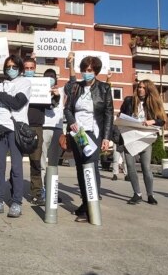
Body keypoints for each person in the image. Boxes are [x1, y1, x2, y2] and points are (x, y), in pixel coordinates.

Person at [64, 55, 113, 222]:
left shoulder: (104, 88)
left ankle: (90, 207)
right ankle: (86, 203)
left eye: (90, 70)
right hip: (78, 133)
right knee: (80, 168)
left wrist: (106, 137)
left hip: (94, 132)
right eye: (84, 70)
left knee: (90, 168)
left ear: (96, 71)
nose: (86, 73)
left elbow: (108, 114)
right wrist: (71, 122)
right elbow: (67, 108)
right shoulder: (75, 88)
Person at [0, 55, 30, 217]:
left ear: (20, 68)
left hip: (16, 129)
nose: (11, 69)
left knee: (16, 167)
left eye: (14, 67)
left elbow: (17, 103)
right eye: (8, 67)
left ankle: (16, 202)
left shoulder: (24, 83)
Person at [120, 79, 166, 205]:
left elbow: (162, 121)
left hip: (145, 138)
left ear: (148, 89)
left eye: (143, 87)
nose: (140, 89)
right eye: (139, 87)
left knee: (146, 167)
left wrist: (152, 121)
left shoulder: (154, 103)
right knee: (130, 166)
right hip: (129, 136)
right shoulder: (129, 100)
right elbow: (121, 115)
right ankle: (137, 194)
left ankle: (150, 194)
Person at [24, 58, 61, 205]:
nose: (29, 70)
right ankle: (14, 189)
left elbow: (50, 105)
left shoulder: (41, 84)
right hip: (19, 124)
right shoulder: (18, 82)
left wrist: (56, 96)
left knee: (36, 162)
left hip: (36, 126)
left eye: (31, 68)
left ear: (35, 69)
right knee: (15, 162)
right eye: (26, 68)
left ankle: (36, 193)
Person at [40, 68, 64, 199]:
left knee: (53, 164)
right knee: (42, 162)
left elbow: (72, 82)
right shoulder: (39, 92)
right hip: (43, 128)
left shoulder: (62, 91)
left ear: (56, 78)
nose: (50, 78)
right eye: (47, 76)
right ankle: (42, 191)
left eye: (52, 76)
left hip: (57, 129)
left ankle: (52, 192)